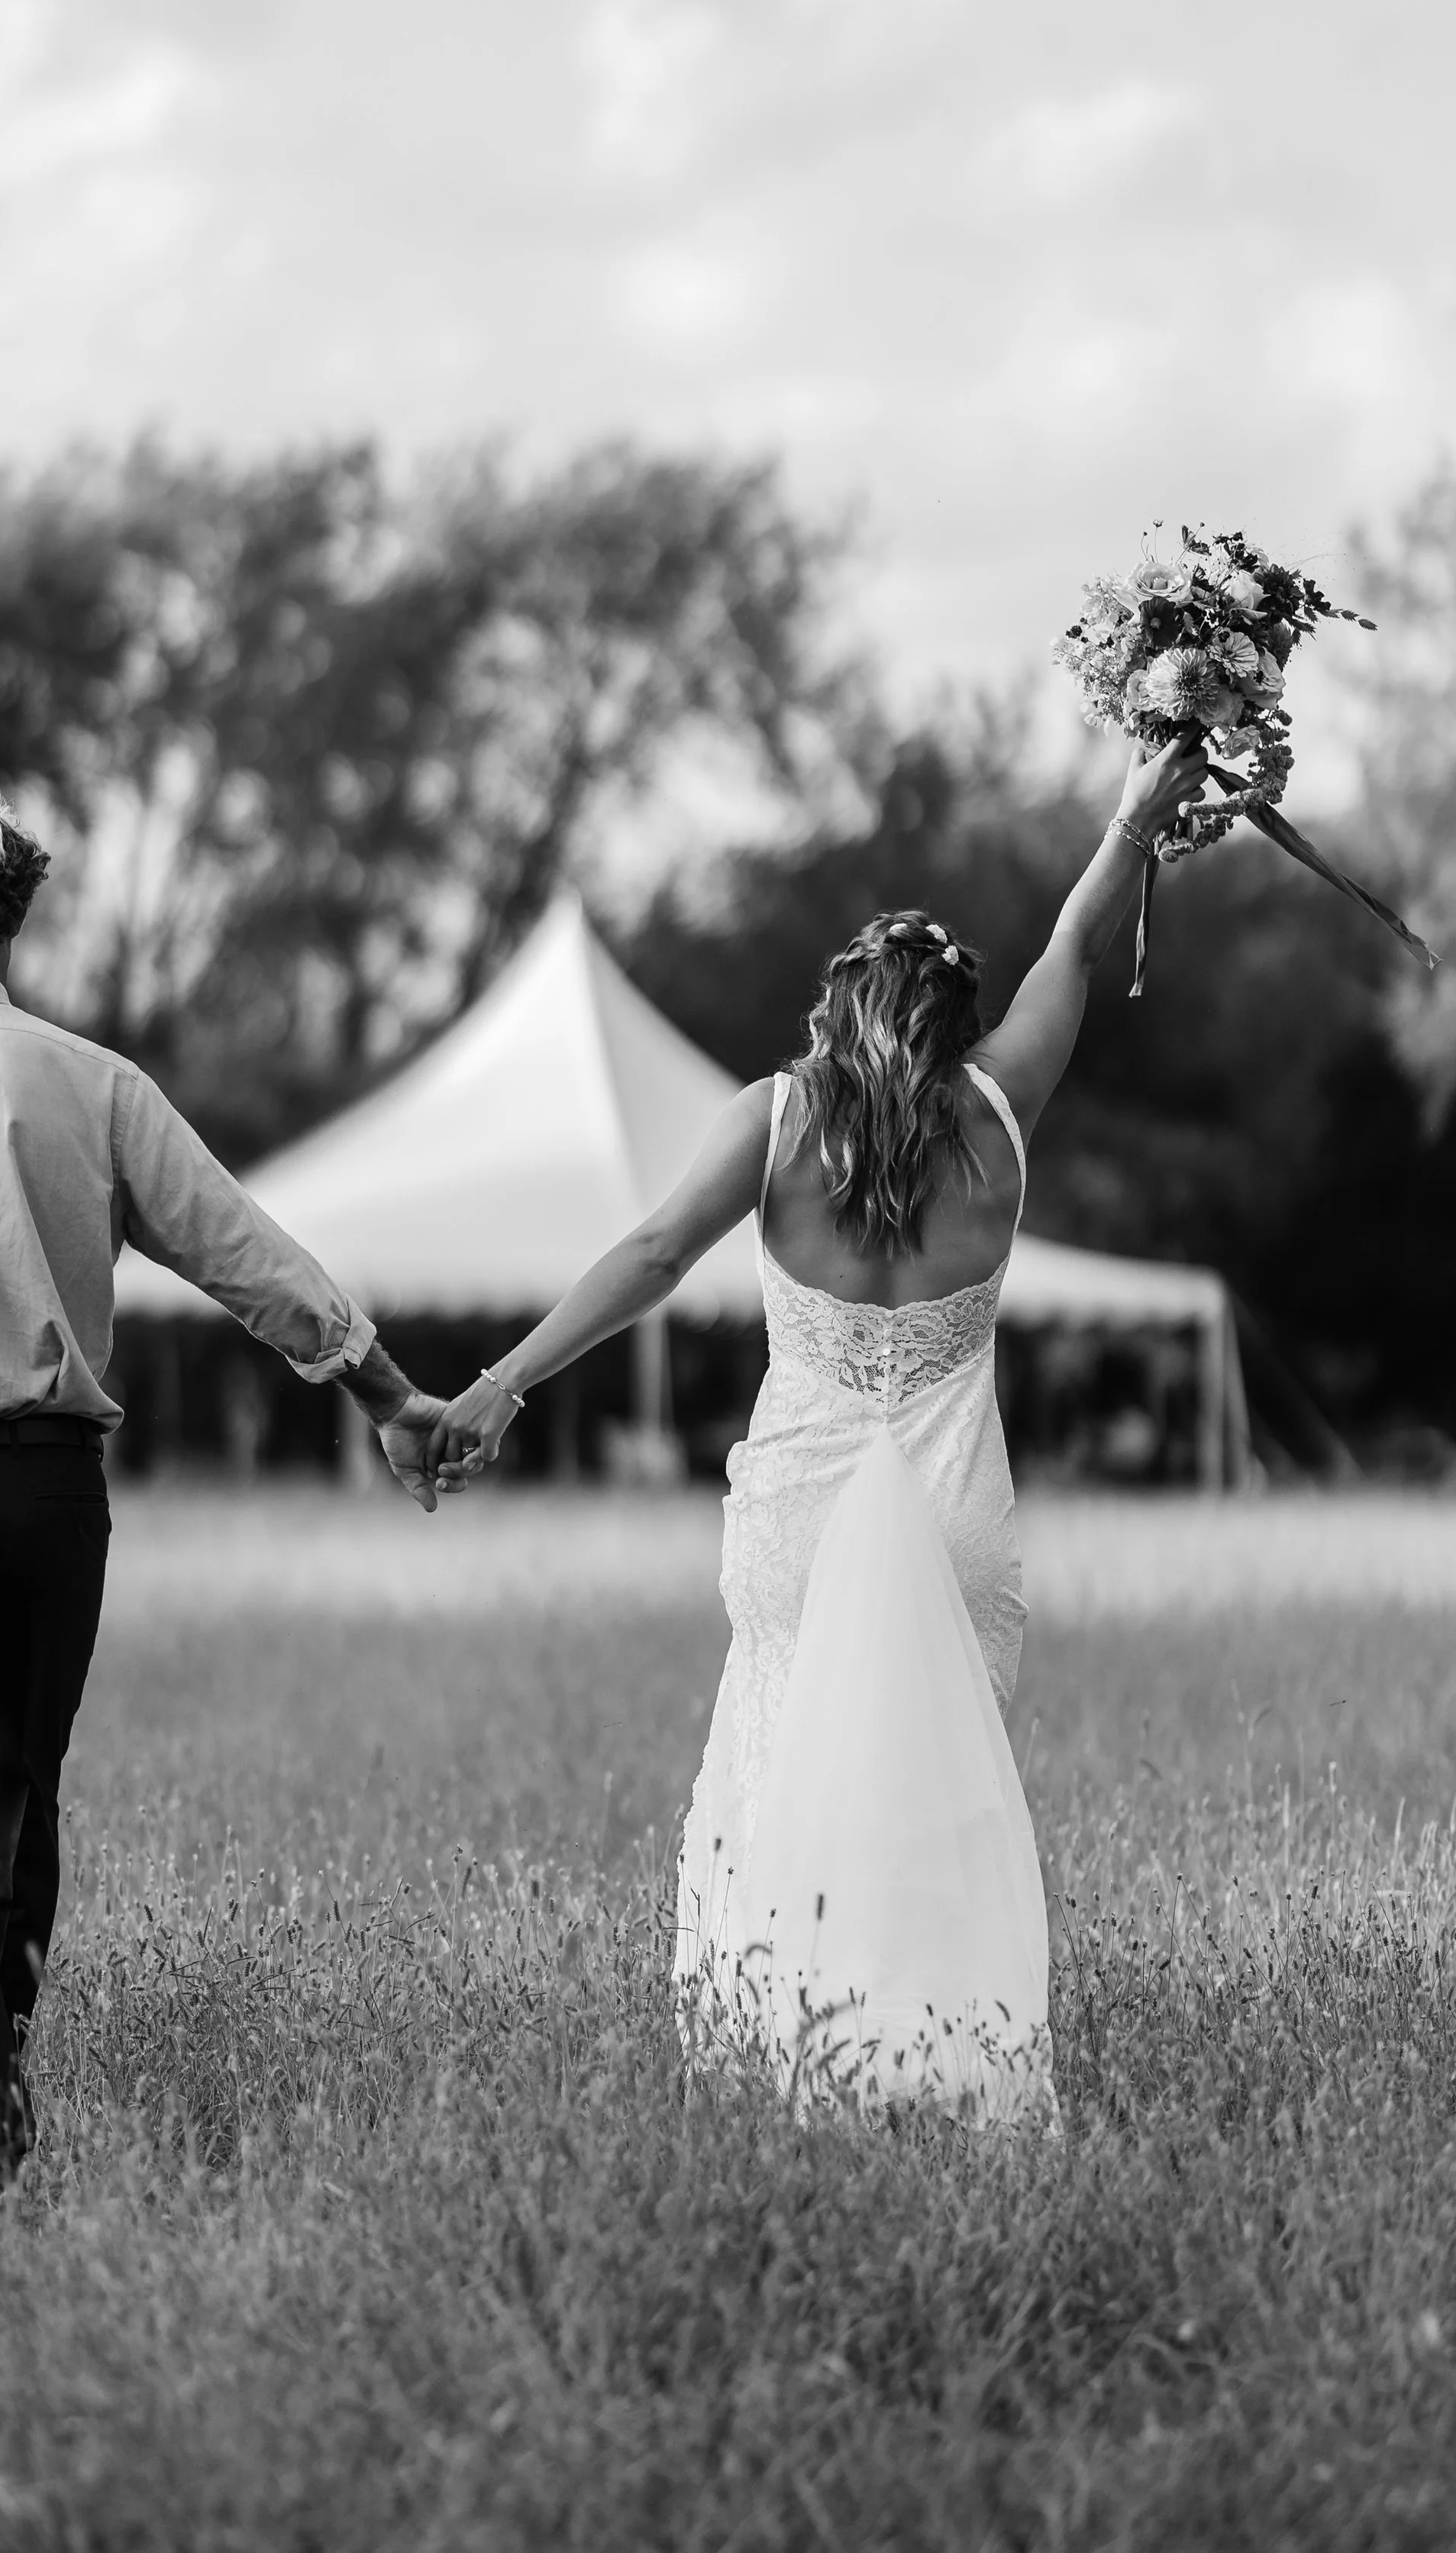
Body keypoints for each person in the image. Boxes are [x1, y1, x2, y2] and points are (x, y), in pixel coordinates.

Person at [426, 732, 1211, 2119]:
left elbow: (657, 1252)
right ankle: (943, 2070)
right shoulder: (1000, 1117)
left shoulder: (776, 1121)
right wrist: (1138, 810)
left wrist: (499, 1385)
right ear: (954, 1022)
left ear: (840, 1014)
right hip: (959, 1526)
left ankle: (793, 2075)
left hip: (798, 1525)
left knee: (783, 1785)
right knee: (933, 1801)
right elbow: (1078, 941)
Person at [0, 785, 457, 2176]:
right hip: (52, 1496)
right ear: (22, 912)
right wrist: (381, 1387)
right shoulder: (96, 1081)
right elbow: (245, 1253)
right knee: (14, 1786)